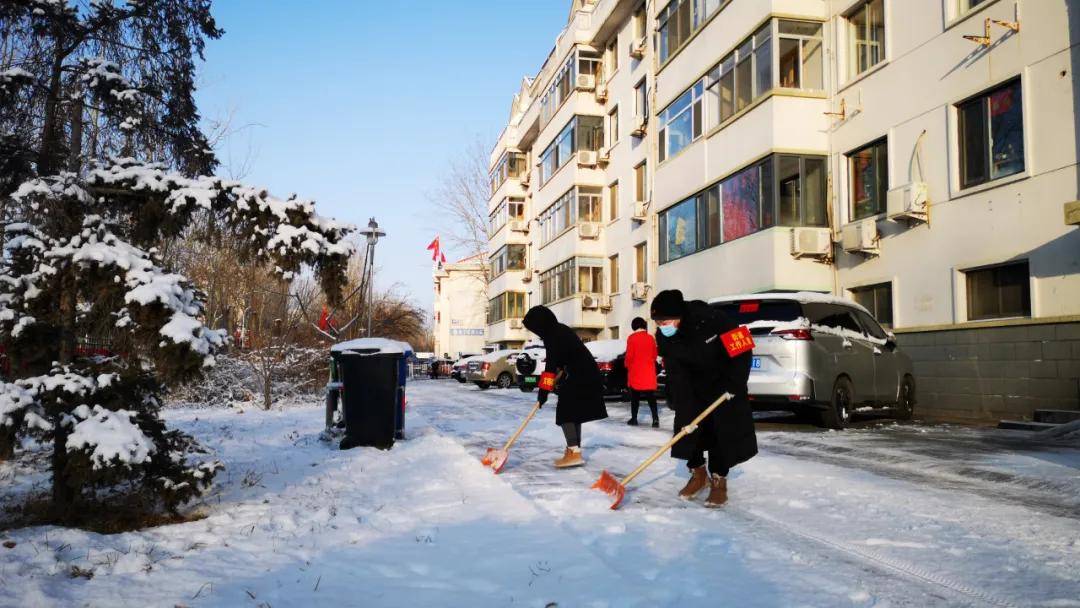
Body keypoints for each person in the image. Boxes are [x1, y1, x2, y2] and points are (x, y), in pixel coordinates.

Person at [650, 289, 757, 507]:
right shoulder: (663, 335)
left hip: (723, 384)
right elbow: (673, 368)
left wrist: (735, 383)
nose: (662, 326)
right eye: (658, 322)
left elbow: (742, 347)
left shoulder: (713, 319)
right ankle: (699, 475)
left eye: (665, 321)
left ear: (679, 315)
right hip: (692, 387)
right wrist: (676, 396)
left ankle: (719, 480)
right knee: (687, 431)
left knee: (720, 432)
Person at [522, 305, 608, 468]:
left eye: (534, 329)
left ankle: (573, 452)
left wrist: (543, 392)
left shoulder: (552, 335)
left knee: (565, 412)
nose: (535, 333)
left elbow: (550, 367)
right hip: (585, 374)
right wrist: (548, 386)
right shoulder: (559, 330)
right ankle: (574, 451)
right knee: (574, 413)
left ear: (540, 325)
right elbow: (559, 363)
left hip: (581, 376)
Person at [623, 317, 659, 428]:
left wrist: (626, 365)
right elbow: (654, 355)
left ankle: (634, 419)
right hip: (648, 372)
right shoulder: (650, 338)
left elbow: (629, 356)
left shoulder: (632, 338)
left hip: (636, 372)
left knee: (635, 397)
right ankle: (655, 419)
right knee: (651, 397)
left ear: (634, 326)